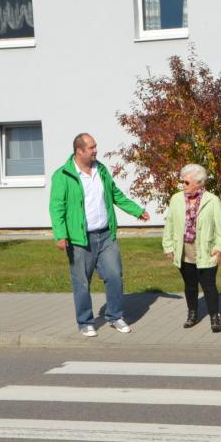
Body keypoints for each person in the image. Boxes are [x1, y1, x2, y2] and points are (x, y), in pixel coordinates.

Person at [49, 133, 150, 337]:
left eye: (95, 146)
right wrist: (60, 235)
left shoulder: (101, 170)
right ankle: (85, 321)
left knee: (114, 275)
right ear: (80, 150)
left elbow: (115, 195)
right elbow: (56, 207)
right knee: (82, 282)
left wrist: (136, 210)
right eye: (92, 147)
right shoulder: (63, 175)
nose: (96, 150)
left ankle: (115, 316)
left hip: (105, 235)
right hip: (80, 239)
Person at [162, 164, 221, 332]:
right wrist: (168, 246)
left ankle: (215, 316)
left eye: (186, 182)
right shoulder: (176, 199)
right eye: (182, 182)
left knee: (208, 285)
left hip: (205, 251)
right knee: (190, 284)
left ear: (199, 183)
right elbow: (169, 224)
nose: (182, 186)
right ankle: (192, 314)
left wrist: (219, 248)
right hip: (184, 250)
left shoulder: (212, 201)